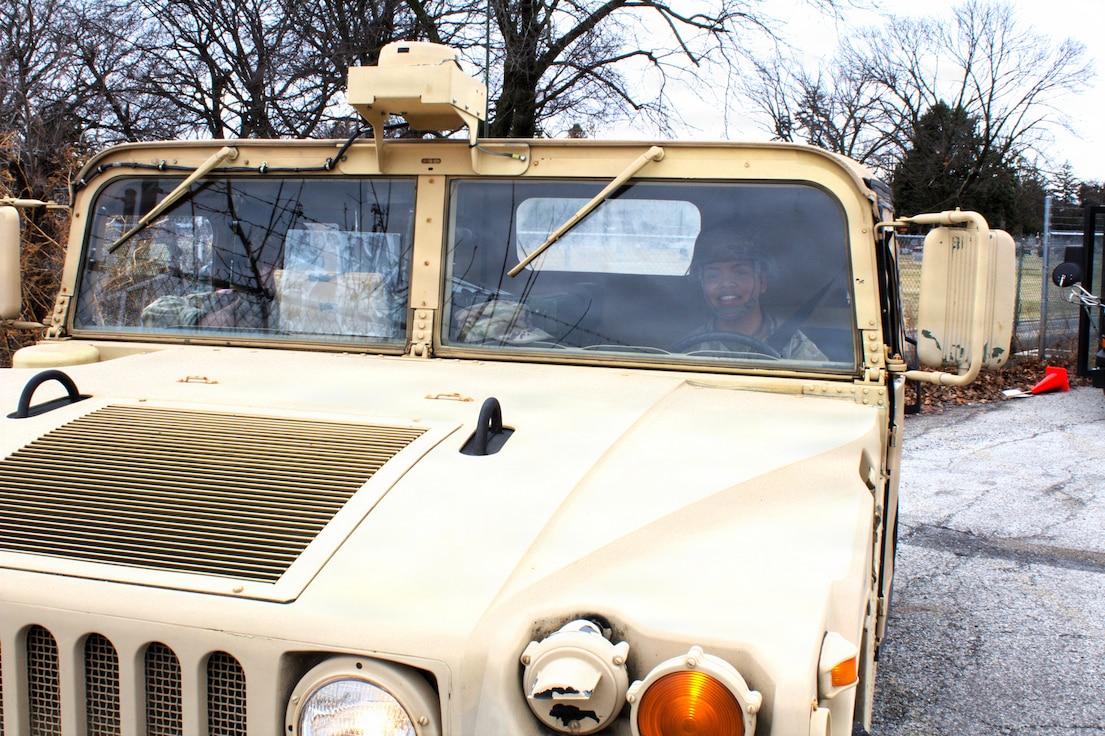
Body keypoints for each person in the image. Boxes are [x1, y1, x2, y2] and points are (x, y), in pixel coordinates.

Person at [679, 230, 827, 361]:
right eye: (713, 275)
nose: (726, 283)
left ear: (762, 281)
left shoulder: (794, 348)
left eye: (740, 273)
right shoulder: (690, 349)